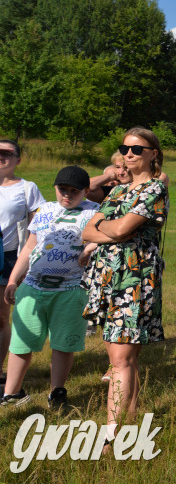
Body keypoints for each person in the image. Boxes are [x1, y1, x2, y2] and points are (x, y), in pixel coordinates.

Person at [81, 128, 169, 445]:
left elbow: (120, 229)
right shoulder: (117, 192)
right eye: (125, 149)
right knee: (126, 359)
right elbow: (88, 232)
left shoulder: (155, 189)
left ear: (153, 154)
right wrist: (111, 230)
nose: (128, 154)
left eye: (136, 149)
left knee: (120, 361)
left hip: (134, 279)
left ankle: (111, 438)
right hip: (108, 278)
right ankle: (127, 427)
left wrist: (109, 229)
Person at [1, 166, 98, 409]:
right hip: (33, 287)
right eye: (61, 189)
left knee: (63, 344)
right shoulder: (44, 210)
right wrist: (14, 280)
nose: (66, 195)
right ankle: (12, 394)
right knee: (22, 342)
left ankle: (57, 392)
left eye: (73, 191)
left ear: (85, 191)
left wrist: (89, 247)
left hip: (70, 289)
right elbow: (28, 248)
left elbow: (107, 236)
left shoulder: (95, 212)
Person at [0, 139, 46, 384]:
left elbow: (37, 229)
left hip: (7, 257)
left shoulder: (27, 188)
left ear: (18, 159)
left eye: (7, 153)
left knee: (0, 317)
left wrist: (24, 265)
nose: (1, 156)